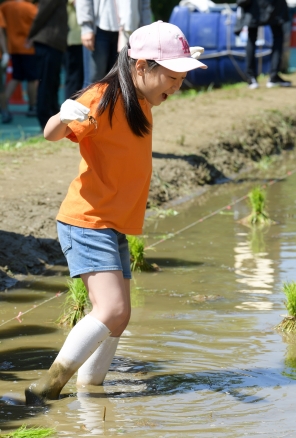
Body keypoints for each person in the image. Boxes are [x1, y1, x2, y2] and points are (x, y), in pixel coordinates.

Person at [24, 20, 207, 405]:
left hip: (112, 224)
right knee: (112, 308)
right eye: (172, 78)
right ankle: (46, 388)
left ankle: (91, 390)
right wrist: (63, 116)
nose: (176, 87)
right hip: (88, 220)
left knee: (119, 318)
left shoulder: (142, 95)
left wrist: (179, 63)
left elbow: (161, 76)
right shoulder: (103, 97)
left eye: (181, 79)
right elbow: (52, 132)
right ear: (141, 67)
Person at [76, 0, 152, 87]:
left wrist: (145, 29)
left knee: (122, 82)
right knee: (93, 83)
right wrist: (86, 27)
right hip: (98, 30)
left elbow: (145, 3)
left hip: (128, 31)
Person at [27, 0, 68, 129]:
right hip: (48, 42)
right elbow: (41, 15)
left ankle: (52, 116)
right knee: (46, 82)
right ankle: (45, 119)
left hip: (54, 43)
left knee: (52, 82)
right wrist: (30, 35)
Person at [235, 0, 292, 88]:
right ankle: (273, 76)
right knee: (277, 37)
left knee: (251, 38)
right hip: (273, 5)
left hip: (255, 5)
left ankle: (251, 78)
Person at [0, 0, 38, 123]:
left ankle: (4, 105)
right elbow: (39, 23)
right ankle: (32, 105)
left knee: (16, 77)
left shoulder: (5, 6)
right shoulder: (30, 8)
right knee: (32, 78)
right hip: (28, 47)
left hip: (13, 47)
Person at [64, 0, 84, 99]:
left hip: (79, 39)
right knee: (74, 78)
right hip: (75, 39)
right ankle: (69, 109)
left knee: (79, 78)